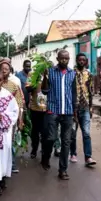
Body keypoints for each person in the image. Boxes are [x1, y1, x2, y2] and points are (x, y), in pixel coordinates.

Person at [40, 50, 77, 180]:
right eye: (62, 58)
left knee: (66, 141)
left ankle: (63, 170)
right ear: (57, 58)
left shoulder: (72, 73)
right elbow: (44, 91)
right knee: (51, 138)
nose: (64, 61)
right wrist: (44, 77)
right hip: (53, 110)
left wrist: (75, 112)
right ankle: (46, 157)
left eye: (66, 59)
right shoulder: (50, 72)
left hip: (67, 111)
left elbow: (73, 94)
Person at [0, 70, 19, 198]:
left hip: (4, 132)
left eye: (0, 80)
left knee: (4, 156)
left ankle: (2, 179)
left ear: (3, 81)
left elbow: (14, 112)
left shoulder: (8, 96)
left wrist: (3, 117)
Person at [0, 60, 24, 173]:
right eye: (2, 69)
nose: (4, 71)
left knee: (9, 142)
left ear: (10, 71)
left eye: (6, 69)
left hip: (9, 121)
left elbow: (18, 104)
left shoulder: (14, 86)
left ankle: (11, 164)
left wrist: (20, 120)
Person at [71, 53, 96, 166]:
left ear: (85, 62)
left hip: (85, 107)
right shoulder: (71, 73)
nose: (81, 62)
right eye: (79, 60)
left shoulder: (89, 74)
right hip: (73, 108)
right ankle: (73, 154)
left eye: (83, 60)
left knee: (86, 133)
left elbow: (91, 91)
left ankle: (88, 157)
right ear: (76, 60)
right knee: (73, 133)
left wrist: (91, 107)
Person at [28, 71, 47, 160]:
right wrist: (35, 80)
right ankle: (34, 149)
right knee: (35, 130)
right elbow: (28, 89)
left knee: (45, 131)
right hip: (35, 108)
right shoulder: (32, 74)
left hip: (47, 109)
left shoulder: (50, 74)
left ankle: (44, 150)